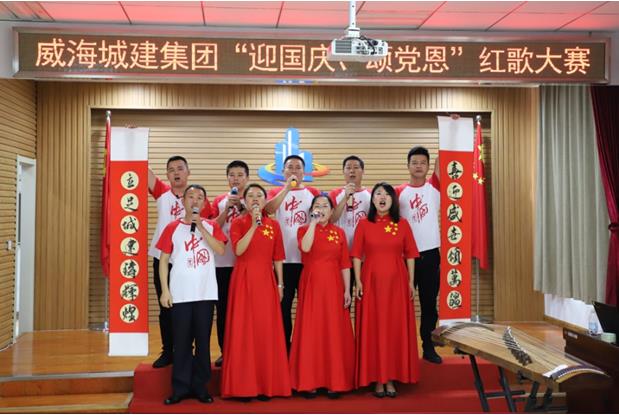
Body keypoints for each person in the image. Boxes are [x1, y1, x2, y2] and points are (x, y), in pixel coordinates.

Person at [156, 184, 226, 405]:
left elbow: (220, 249)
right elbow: (163, 261)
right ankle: (180, 388)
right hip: (180, 295)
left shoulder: (212, 226)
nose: (195, 200)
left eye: (199, 197)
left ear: (204, 203)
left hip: (205, 294)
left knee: (203, 342)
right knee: (182, 342)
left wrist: (202, 227)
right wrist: (165, 290)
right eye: (191, 196)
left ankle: (200, 387)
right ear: (183, 201)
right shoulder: (172, 227)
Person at [221, 183, 291, 400]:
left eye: (259, 195)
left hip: (266, 280)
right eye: (250, 196)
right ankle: (243, 386)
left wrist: (280, 284)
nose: (255, 199)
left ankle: (266, 384)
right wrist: (253, 226)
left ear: (265, 200)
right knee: (244, 329)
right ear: (244, 201)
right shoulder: (238, 223)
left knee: (265, 330)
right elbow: (238, 250)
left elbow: (278, 257)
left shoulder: (274, 225)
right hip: (243, 279)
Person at [352, 182, 420, 398]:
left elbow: (410, 254)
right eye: (378, 194)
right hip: (370, 281)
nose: (382, 197)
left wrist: (410, 282)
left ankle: (390, 377)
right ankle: (376, 379)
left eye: (387, 194)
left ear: (393, 200)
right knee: (373, 328)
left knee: (393, 327)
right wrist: (358, 281)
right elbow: (356, 255)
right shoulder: (364, 224)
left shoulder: (402, 224)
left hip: (397, 283)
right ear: (372, 200)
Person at [148, 156, 212, 368]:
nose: (176, 172)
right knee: (166, 306)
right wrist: (131, 143)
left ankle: (187, 352)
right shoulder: (161, 192)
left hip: (189, 260)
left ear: (188, 172)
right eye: (171, 169)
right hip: (163, 258)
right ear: (167, 175)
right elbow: (142, 170)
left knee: (190, 308)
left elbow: (212, 225)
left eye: (180, 168)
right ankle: (168, 351)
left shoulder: (199, 199)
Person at [290, 194, 355, 399]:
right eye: (317, 206)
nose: (321, 209)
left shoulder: (339, 232)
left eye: (325, 206)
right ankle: (309, 381)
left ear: (332, 210)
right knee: (312, 329)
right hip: (312, 283)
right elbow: (306, 247)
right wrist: (313, 223)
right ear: (312, 210)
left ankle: (335, 381)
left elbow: (345, 263)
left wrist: (347, 289)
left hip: (334, 285)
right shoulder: (303, 230)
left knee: (332, 330)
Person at [264, 155, 320, 351]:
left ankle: (305, 349)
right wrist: (287, 189)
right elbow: (268, 210)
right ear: (283, 172)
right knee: (283, 307)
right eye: (290, 167)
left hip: (308, 260)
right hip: (283, 260)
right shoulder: (275, 192)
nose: (294, 170)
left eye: (298, 167)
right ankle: (284, 349)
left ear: (304, 172)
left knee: (308, 308)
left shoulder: (313, 193)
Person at [396, 146, 442, 364]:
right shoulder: (398, 192)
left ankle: (428, 346)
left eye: (423, 163)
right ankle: (401, 350)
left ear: (428, 166)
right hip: (404, 257)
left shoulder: (434, 187)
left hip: (430, 254)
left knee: (429, 304)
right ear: (408, 166)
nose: (418, 166)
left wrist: (452, 131)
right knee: (401, 305)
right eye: (414, 162)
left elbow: (443, 159)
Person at [210, 160, 250, 367]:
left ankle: (246, 351)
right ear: (227, 178)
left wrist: (243, 207)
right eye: (232, 175)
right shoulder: (218, 201)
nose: (236, 179)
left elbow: (259, 225)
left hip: (246, 265)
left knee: (246, 311)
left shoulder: (253, 199)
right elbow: (210, 227)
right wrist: (226, 210)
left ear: (247, 178)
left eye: (240, 175)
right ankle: (225, 351)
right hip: (222, 264)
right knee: (223, 309)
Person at [329, 155, 371, 297]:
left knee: (364, 295)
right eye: (348, 168)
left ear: (363, 171)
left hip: (364, 256)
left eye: (356, 167)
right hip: (341, 254)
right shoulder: (335, 194)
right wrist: (345, 198)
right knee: (342, 296)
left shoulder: (372, 194)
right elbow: (331, 219)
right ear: (343, 171)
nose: (352, 171)